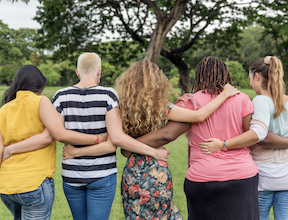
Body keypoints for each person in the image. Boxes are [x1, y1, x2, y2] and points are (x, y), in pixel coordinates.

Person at [0, 54, 171, 220]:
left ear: (77, 72)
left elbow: (56, 132)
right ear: (99, 71)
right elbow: (115, 140)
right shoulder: (108, 95)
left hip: (72, 175)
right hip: (102, 174)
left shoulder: (61, 96)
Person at [109, 59, 239, 220]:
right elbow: (198, 116)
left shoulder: (120, 107)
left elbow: (120, 142)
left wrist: (129, 148)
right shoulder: (161, 107)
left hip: (132, 173)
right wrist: (225, 94)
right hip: (157, 169)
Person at [0, 65, 115, 220]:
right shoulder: (40, 102)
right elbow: (56, 135)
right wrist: (97, 139)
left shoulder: (4, 109)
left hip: (7, 187)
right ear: (39, 86)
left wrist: (9, 150)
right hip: (34, 183)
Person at [198, 56, 288, 220]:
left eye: (250, 78)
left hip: (265, 175)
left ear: (257, 76)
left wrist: (224, 144)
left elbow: (259, 135)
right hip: (286, 176)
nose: (250, 83)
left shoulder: (261, 100)